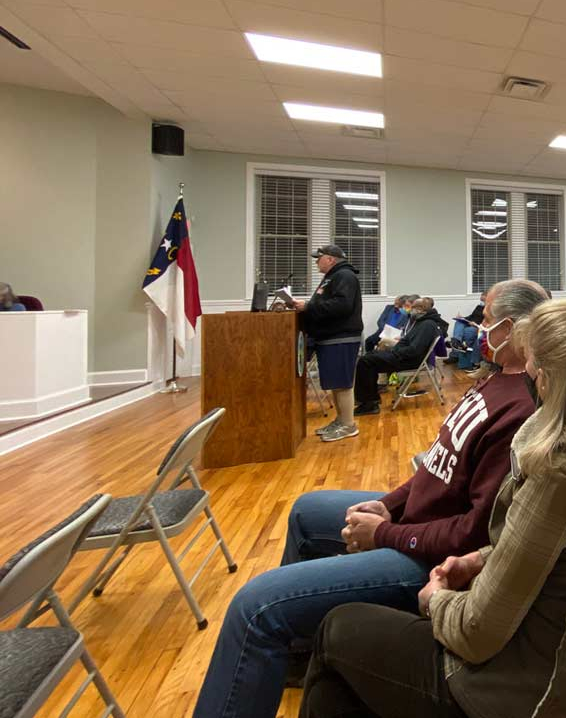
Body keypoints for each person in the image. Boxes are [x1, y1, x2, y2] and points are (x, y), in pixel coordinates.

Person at [191, 280, 548, 718]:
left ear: (511, 329)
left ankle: (277, 630)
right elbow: (435, 466)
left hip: (430, 556)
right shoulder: (493, 380)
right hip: (412, 519)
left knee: (255, 605)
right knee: (306, 510)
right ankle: (298, 651)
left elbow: (473, 532)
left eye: (487, 319)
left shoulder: (520, 410)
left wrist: (385, 533)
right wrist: (389, 504)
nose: (479, 327)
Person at [299, 299, 566, 718]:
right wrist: (480, 559)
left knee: (337, 631)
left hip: (518, 691)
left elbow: (477, 633)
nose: (529, 378)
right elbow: (558, 552)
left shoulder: (562, 471)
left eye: (534, 368)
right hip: (545, 654)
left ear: (552, 379)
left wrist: (434, 601)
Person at [295, 245, 363, 442]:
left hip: (341, 336)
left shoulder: (344, 276)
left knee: (342, 383)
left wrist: (308, 306)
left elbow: (342, 306)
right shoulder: (334, 276)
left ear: (331, 259)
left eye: (319, 257)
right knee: (336, 383)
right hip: (330, 337)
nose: (316, 261)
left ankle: (349, 425)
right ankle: (340, 420)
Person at [352, 297, 448, 417]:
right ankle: (370, 399)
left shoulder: (427, 324)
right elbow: (407, 341)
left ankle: (368, 403)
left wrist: (395, 352)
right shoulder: (422, 322)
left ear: (421, 309)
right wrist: (394, 349)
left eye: (413, 308)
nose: (411, 310)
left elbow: (414, 349)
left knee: (365, 362)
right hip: (404, 356)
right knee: (370, 356)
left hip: (409, 360)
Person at [446, 292, 486, 369]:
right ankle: (456, 341)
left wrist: (476, 324)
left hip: (477, 327)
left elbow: (486, 322)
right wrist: (463, 318)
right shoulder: (479, 307)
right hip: (470, 323)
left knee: (468, 331)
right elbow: (471, 316)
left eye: (483, 300)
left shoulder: (489, 310)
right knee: (458, 322)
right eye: (481, 299)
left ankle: (456, 354)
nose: (481, 302)